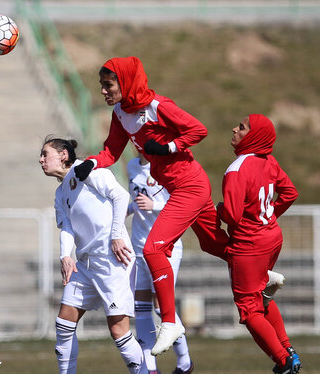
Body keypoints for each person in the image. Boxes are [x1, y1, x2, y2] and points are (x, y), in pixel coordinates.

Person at [73, 56, 232, 356]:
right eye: (101, 86)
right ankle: (261, 272)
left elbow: (198, 130)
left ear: (126, 83)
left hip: (190, 185)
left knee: (152, 250)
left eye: (108, 86)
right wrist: (90, 163)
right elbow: (111, 151)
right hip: (177, 187)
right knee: (213, 245)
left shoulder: (158, 106)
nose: (103, 92)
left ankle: (170, 323)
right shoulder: (120, 112)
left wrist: (170, 147)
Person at [39, 136, 159, 374]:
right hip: (85, 263)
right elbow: (67, 227)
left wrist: (117, 235)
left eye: (46, 154)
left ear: (64, 155)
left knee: (118, 330)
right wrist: (65, 257)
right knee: (64, 323)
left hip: (112, 260)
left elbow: (121, 196)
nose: (41, 159)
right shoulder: (60, 193)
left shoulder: (88, 171)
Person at [216, 114, 301, 374]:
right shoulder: (269, 161)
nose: (235, 128)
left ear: (254, 135)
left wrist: (217, 211)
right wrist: (267, 217)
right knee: (262, 297)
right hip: (272, 238)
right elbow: (289, 193)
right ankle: (287, 347)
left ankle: (283, 359)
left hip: (249, 245)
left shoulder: (237, 168)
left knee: (248, 309)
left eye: (242, 126)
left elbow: (231, 214)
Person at [126, 152, 194, 374]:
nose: (138, 144)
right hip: (138, 246)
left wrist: (154, 205)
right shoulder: (132, 166)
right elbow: (135, 200)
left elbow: (184, 202)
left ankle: (185, 362)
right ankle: (151, 368)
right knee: (140, 308)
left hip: (166, 245)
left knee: (160, 306)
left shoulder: (167, 168)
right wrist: (126, 209)